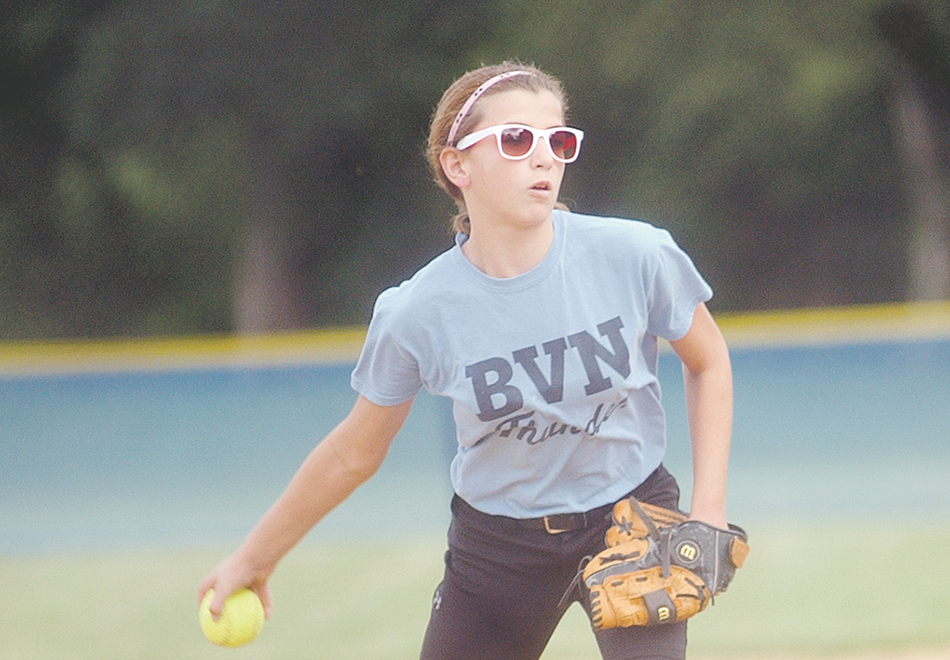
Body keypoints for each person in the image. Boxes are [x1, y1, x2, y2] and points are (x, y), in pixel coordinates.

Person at [199, 60, 734, 660]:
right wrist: (254, 558)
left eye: (557, 140)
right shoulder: (418, 311)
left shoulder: (635, 255)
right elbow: (355, 451)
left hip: (635, 524)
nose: (543, 157)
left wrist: (707, 514)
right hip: (500, 548)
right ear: (457, 165)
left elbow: (708, 361)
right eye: (515, 139)